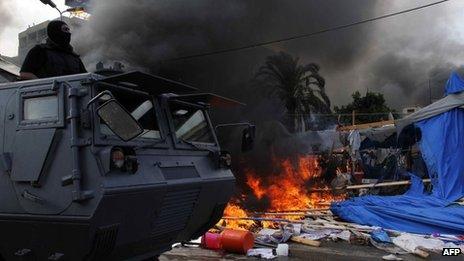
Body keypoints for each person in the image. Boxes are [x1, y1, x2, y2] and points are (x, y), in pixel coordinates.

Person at [20, 20, 87, 80]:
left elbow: (85, 77)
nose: (68, 33)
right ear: (55, 31)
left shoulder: (74, 57)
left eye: (68, 30)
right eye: (65, 29)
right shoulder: (40, 51)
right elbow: (25, 74)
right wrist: (44, 86)